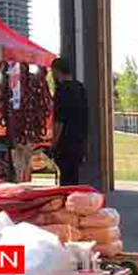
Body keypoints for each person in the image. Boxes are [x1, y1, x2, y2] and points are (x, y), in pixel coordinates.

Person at [51, 57, 89, 186]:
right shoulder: (80, 88)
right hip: (79, 140)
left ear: (56, 71)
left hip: (65, 142)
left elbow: (59, 121)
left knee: (65, 177)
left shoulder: (61, 91)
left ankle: (68, 200)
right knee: (74, 175)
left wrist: (54, 143)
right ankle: (74, 199)